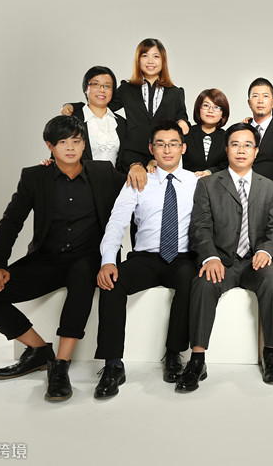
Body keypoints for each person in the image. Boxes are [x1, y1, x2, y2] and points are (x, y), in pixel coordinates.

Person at [0, 116, 125, 402]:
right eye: (62, 142)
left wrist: (141, 165)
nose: (71, 147)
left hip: (87, 258)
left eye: (76, 141)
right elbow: (11, 222)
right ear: (50, 146)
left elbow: (137, 188)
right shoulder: (35, 177)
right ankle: (39, 350)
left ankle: (61, 366)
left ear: (84, 144)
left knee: (82, 273)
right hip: (47, 260)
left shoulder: (103, 172)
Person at [93, 121, 199, 399]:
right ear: (151, 149)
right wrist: (108, 261)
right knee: (113, 282)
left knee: (189, 279)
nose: (167, 149)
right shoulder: (138, 181)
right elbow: (116, 222)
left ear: (183, 148)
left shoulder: (196, 183)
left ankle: (174, 353)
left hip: (182, 257)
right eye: (161, 144)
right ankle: (113, 365)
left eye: (173, 143)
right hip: (145, 258)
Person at [184, 123, 273, 391]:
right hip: (221, 261)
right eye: (235, 145)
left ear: (256, 151)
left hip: (254, 261)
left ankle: (271, 354)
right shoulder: (207, 184)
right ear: (226, 149)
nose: (242, 150)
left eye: (248, 145)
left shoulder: (269, 187)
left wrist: (265, 251)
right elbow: (200, 227)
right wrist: (210, 257)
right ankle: (197, 359)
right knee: (203, 282)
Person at [62, 38, 190, 170]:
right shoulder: (127, 89)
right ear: (138, 60)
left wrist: (182, 121)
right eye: (145, 56)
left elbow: (181, 115)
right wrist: (75, 106)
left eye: (156, 56)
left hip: (162, 153)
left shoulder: (175, 93)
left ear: (163, 60)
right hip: (132, 155)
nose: (150, 61)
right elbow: (102, 103)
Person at [68, 66, 127, 169]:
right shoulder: (71, 120)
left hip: (114, 179)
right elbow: (59, 154)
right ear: (86, 88)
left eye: (107, 86)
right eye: (96, 84)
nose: (102, 90)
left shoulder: (122, 123)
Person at [182, 88, 230, 177]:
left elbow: (228, 165)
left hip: (218, 183)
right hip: (188, 182)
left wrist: (209, 172)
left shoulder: (227, 137)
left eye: (216, 107)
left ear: (222, 114)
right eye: (206, 105)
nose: (210, 111)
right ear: (199, 109)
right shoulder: (186, 134)